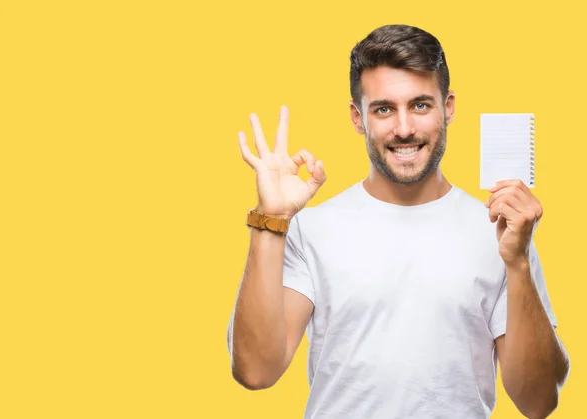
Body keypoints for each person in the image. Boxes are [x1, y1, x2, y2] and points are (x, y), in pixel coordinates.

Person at [227, 24, 570, 418]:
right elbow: (255, 371)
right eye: (384, 109)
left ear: (449, 107)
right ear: (358, 117)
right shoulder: (313, 229)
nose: (404, 128)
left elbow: (539, 401)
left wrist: (519, 262)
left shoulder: (501, 232)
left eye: (421, 105)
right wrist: (270, 219)